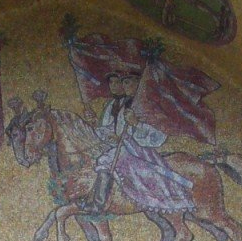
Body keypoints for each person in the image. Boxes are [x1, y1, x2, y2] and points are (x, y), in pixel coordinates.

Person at [80, 65, 194, 216]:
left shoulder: (151, 107)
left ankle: (98, 204)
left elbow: (158, 138)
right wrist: (96, 126)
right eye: (123, 82)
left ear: (139, 84)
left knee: (105, 160)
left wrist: (137, 124)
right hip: (125, 148)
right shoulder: (125, 106)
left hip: (140, 152)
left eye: (127, 82)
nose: (123, 86)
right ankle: (90, 196)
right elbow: (113, 131)